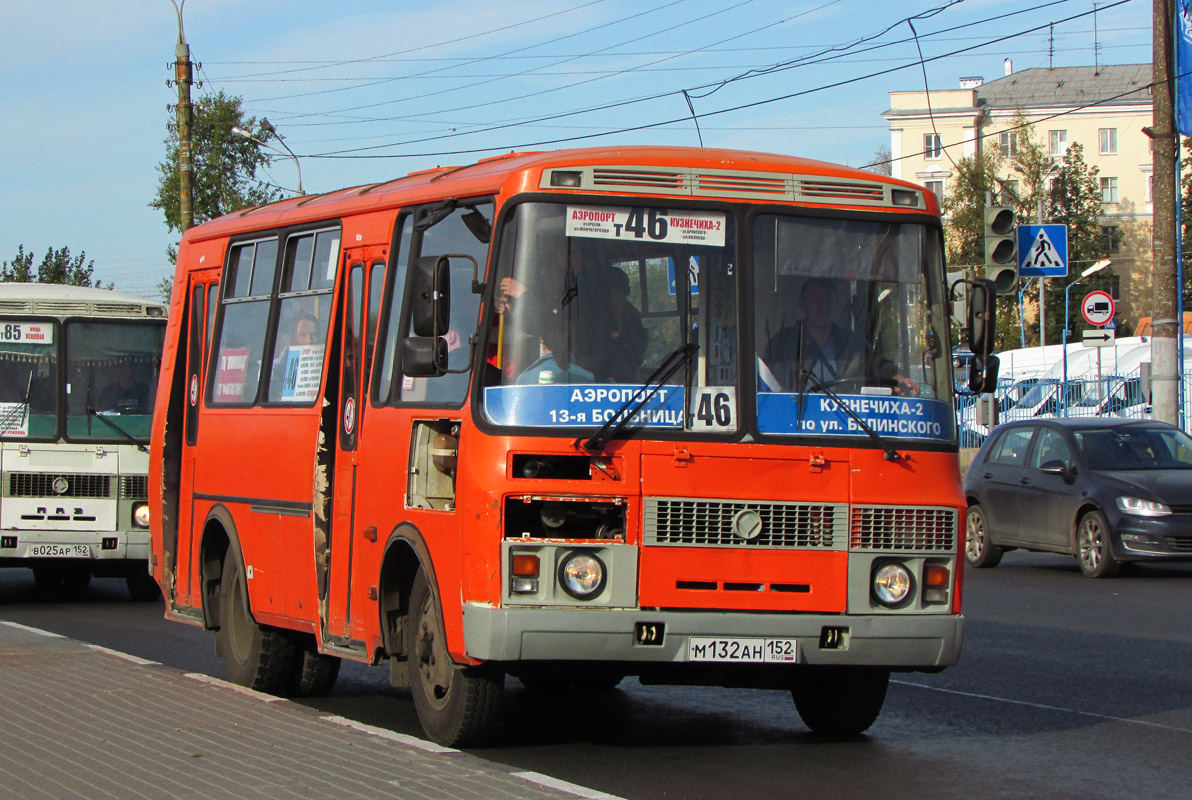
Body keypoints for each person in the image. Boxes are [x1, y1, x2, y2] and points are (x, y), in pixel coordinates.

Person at [761, 277, 917, 395]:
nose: (822, 306)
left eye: (827, 300)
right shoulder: (782, 344)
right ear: (803, 304)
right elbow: (767, 385)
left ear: (835, 304)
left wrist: (898, 378)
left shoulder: (852, 344)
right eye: (815, 300)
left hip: (845, 426)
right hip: (797, 425)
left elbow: (880, 368)